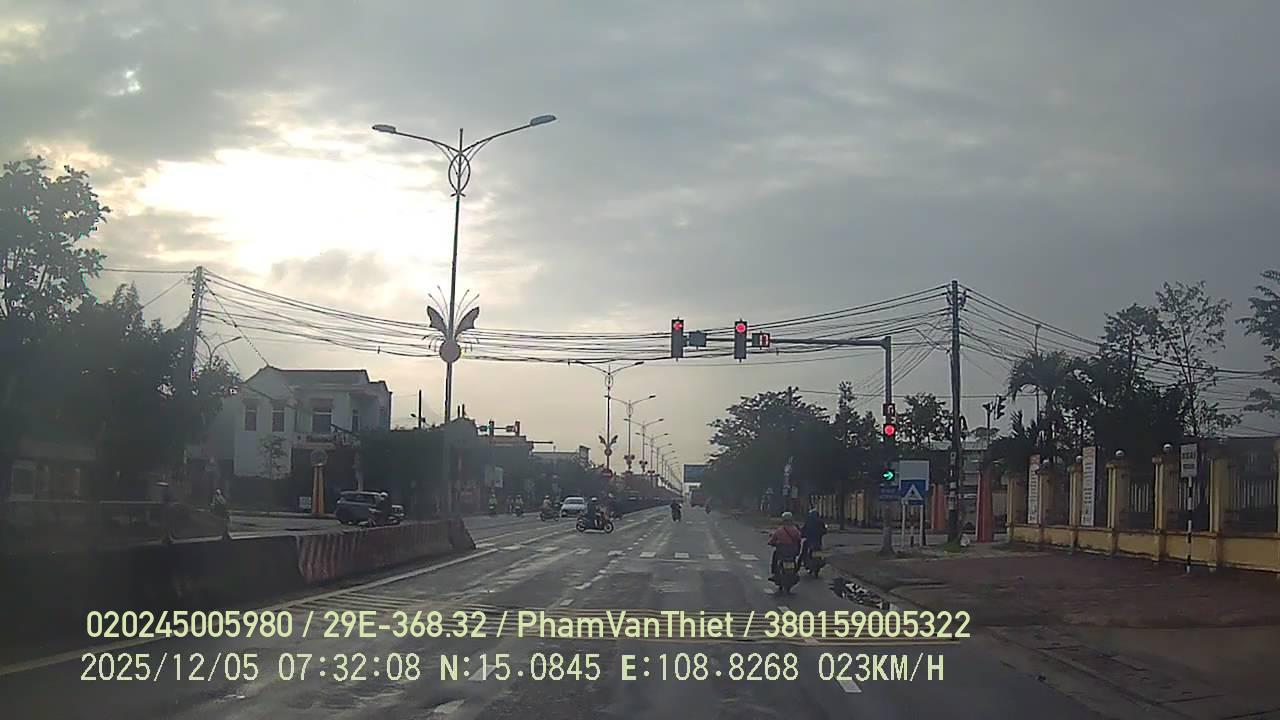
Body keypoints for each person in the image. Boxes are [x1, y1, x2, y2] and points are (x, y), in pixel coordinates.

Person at [768, 512, 803, 580]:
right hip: (793, 552)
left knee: (775, 556)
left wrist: (771, 543)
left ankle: (774, 572)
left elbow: (772, 540)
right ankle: (795, 571)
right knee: (793, 559)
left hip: (782, 552)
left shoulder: (779, 530)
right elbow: (799, 538)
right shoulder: (795, 530)